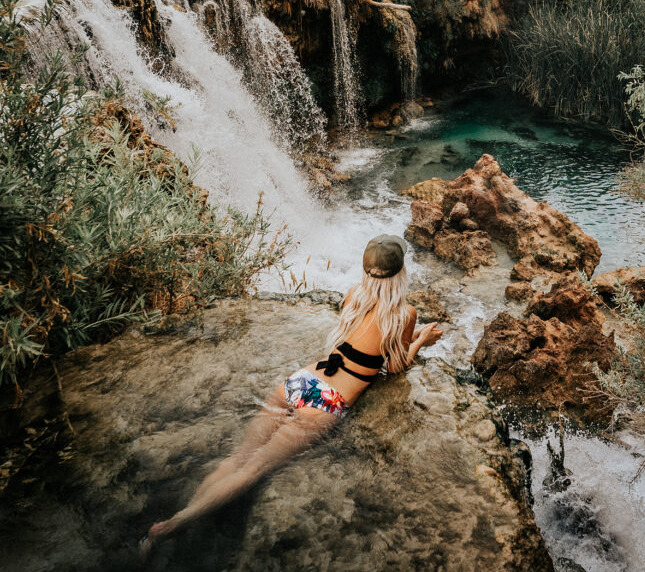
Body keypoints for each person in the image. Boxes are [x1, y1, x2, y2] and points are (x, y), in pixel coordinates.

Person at [139, 234, 442, 557]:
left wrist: (414, 337)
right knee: (253, 470)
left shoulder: (354, 295)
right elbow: (394, 366)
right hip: (327, 401)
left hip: (301, 381)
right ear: (400, 274)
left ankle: (179, 516)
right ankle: (173, 526)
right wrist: (420, 340)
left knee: (239, 458)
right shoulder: (403, 314)